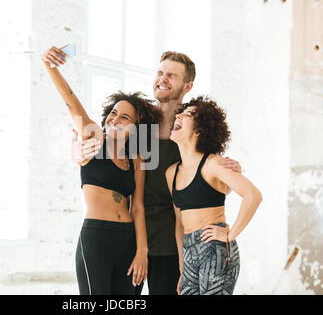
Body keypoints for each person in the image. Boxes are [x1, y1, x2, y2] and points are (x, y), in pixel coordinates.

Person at [72, 51, 242, 295]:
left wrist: (232, 173)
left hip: (172, 248)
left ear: (188, 85)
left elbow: (212, 182)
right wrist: (77, 151)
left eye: (171, 75)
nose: (163, 79)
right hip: (130, 242)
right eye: (160, 72)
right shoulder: (140, 125)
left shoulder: (191, 129)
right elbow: (103, 147)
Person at [42, 45, 162, 295]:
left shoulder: (137, 159)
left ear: (136, 128)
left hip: (129, 240)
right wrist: (49, 65)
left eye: (125, 118)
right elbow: (71, 101)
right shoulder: (93, 138)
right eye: (113, 113)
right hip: (97, 238)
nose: (115, 120)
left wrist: (142, 251)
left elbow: (137, 207)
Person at [165, 96, 262, 295]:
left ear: (199, 129)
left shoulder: (214, 164)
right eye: (181, 112)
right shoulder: (171, 173)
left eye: (188, 114)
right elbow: (179, 224)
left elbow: (253, 195)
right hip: (189, 253)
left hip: (215, 249)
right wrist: (183, 268)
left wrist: (230, 234)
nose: (179, 115)